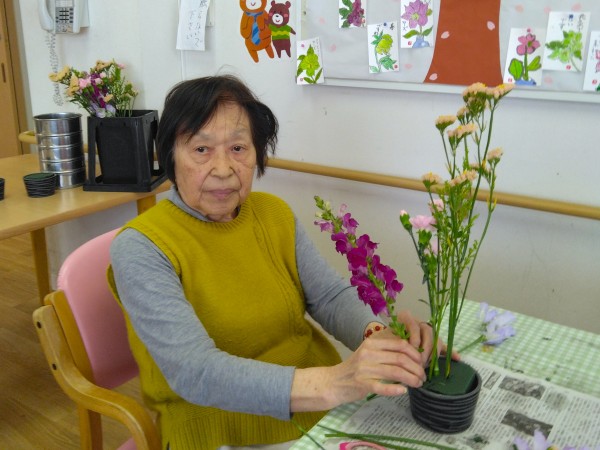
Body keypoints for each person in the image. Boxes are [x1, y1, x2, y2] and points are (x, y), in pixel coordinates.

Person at [108, 75, 438, 450]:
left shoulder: (272, 213)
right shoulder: (142, 246)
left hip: (317, 408)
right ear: (169, 155)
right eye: (201, 149)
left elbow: (329, 297)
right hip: (222, 427)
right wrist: (333, 382)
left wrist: (380, 339)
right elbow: (195, 372)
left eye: (238, 148)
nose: (222, 168)